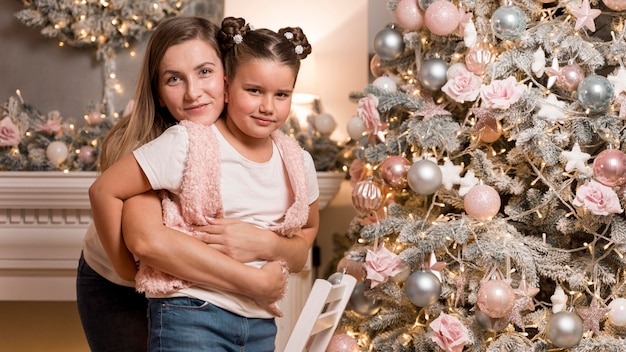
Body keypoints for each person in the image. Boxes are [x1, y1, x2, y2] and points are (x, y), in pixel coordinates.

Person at [77, 16, 310, 352]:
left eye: (204, 71)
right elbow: (146, 242)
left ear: (228, 76)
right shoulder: (162, 144)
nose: (193, 93)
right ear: (157, 92)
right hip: (117, 282)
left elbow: (300, 239)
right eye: (174, 79)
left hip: (185, 286)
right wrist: (255, 281)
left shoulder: (256, 143)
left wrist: (267, 244)